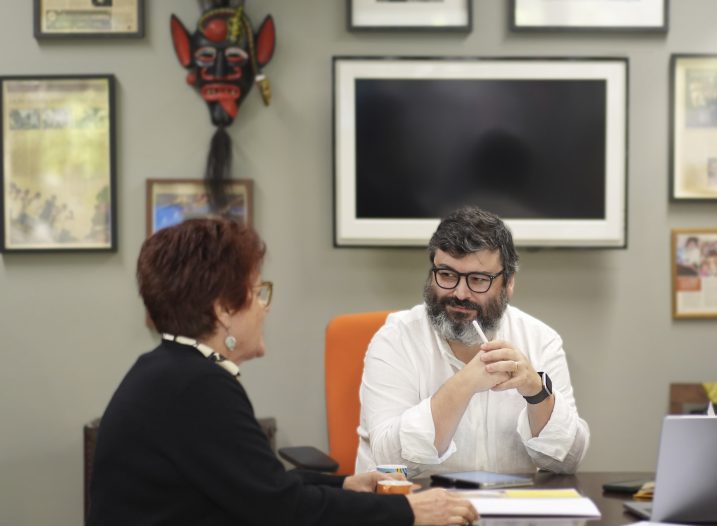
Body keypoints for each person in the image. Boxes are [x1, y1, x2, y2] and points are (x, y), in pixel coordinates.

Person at [88, 218, 478, 526]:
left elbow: (257, 484)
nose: (265, 307)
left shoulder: (169, 371)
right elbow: (281, 508)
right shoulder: (197, 386)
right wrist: (409, 512)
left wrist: (345, 484)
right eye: (258, 292)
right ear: (223, 310)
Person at [356, 206, 590, 477]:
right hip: (418, 501)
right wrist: (466, 383)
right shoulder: (395, 340)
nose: (460, 293)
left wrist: (537, 392)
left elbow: (568, 461)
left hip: (511, 502)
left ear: (509, 283)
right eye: (447, 275)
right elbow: (389, 461)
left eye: (478, 280)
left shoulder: (540, 340)